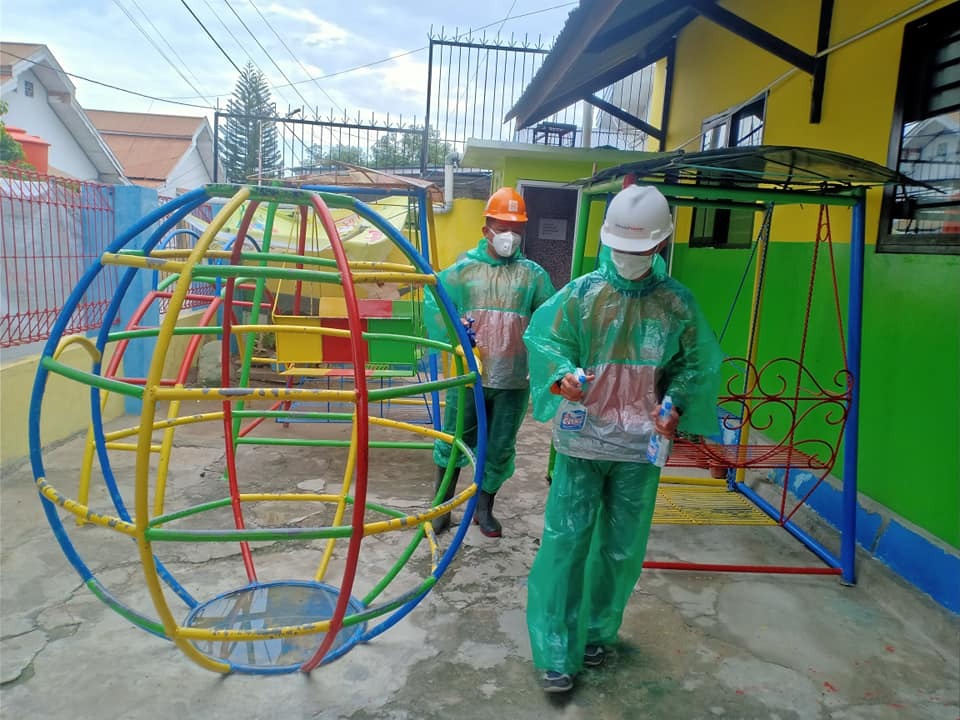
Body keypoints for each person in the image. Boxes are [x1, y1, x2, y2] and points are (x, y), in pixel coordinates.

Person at [521, 184, 722, 693]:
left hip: (639, 446)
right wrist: (562, 373)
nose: (628, 259)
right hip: (582, 439)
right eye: (620, 249)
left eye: (639, 250)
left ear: (659, 246)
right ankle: (555, 650)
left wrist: (675, 402)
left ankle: (595, 632)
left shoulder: (677, 303)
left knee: (619, 549)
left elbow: (695, 364)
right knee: (566, 543)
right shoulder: (583, 293)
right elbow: (544, 339)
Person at [427, 187, 556, 537]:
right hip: (469, 374)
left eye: (516, 229)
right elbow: (435, 303)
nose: (509, 237)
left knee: (499, 445)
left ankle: (483, 508)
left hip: (513, 379)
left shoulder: (533, 276)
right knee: (454, 438)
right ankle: (442, 506)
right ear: (486, 230)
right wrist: (455, 336)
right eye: (502, 228)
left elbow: (551, 322)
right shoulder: (463, 271)